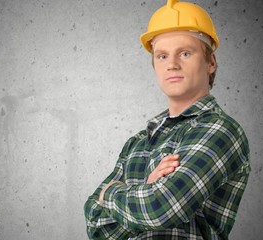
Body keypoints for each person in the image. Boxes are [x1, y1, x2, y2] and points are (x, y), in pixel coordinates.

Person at [84, 0, 251, 239]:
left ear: (210, 62)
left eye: (185, 53)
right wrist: (146, 191)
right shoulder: (138, 142)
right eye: (162, 56)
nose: (172, 65)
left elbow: (160, 209)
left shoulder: (220, 130)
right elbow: (97, 227)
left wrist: (109, 193)